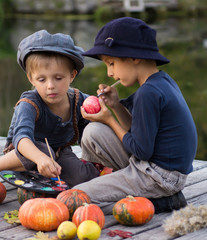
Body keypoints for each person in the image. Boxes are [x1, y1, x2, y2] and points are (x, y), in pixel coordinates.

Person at [73, 17, 198, 214]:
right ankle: (152, 195)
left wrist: (109, 119)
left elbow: (141, 150)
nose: (110, 73)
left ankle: (161, 198)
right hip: (160, 169)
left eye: (112, 63)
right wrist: (115, 105)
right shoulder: (160, 81)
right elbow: (138, 132)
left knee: (75, 196)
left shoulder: (148, 93)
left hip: (160, 176)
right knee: (93, 131)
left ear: (134, 57)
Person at [0, 30, 100, 187]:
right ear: (31, 78)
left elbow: (89, 131)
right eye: (42, 79)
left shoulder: (80, 101)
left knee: (83, 176)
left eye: (58, 78)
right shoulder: (30, 103)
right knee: (45, 152)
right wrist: (40, 158)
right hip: (25, 152)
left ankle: (42, 172)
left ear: (72, 75)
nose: (50, 86)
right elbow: (21, 139)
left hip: (59, 153)